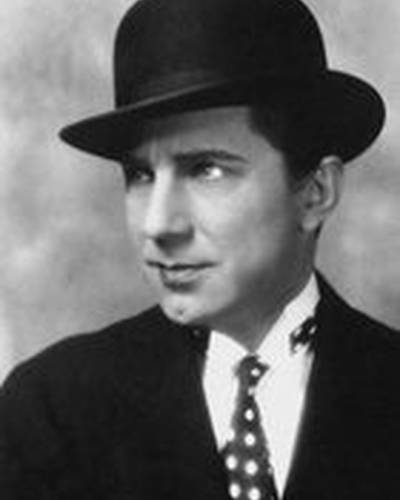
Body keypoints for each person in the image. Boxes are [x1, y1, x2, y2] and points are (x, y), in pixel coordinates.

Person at [1, 0, 399, 498]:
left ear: (316, 193)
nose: (158, 224)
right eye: (140, 175)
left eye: (206, 169)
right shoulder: (52, 410)